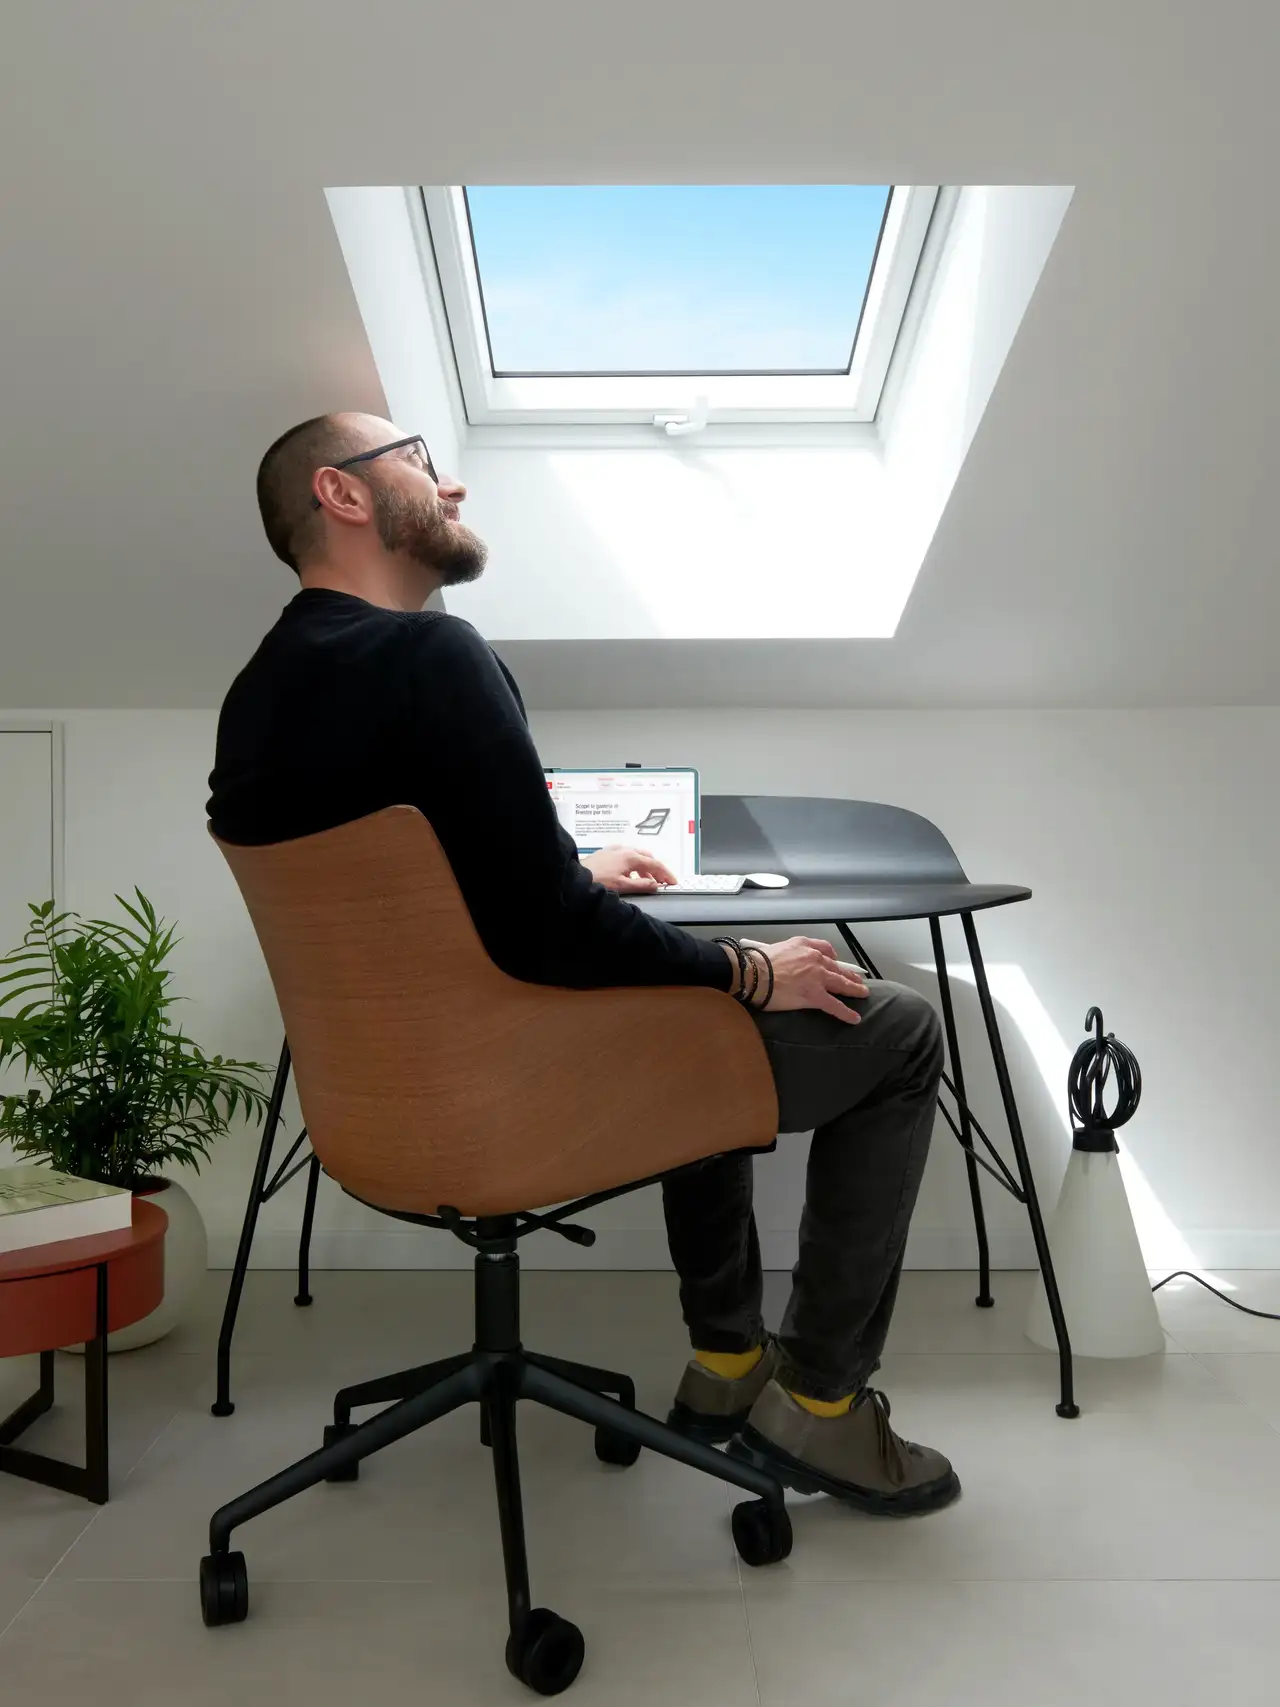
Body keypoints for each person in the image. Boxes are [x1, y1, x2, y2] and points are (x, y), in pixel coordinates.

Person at [208, 412, 959, 1515]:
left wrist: (573, 866)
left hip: (380, 1111)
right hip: (510, 1099)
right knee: (889, 1026)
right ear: (343, 494)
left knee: (676, 983)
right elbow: (549, 937)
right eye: (418, 460)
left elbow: (429, 898)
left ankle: (725, 1368)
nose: (450, 485)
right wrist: (750, 969)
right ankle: (822, 1407)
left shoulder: (260, 694)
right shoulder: (433, 653)